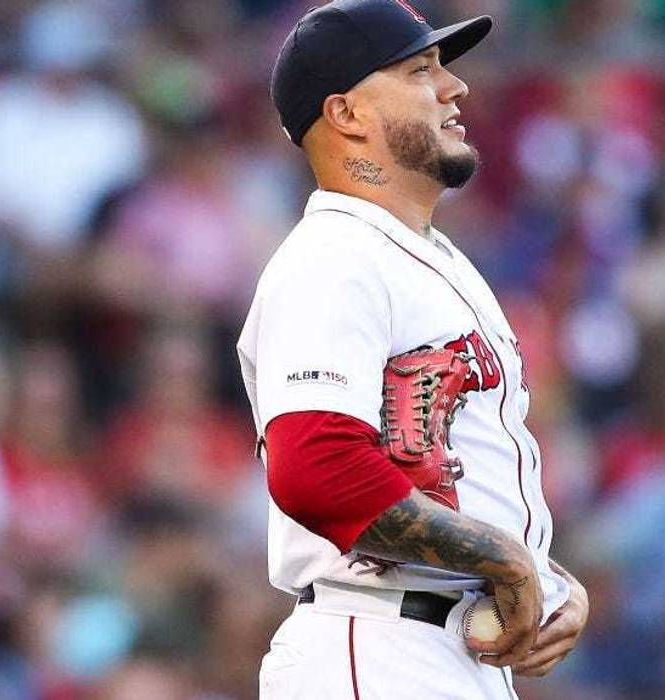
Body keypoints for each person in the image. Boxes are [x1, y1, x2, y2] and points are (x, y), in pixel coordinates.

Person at [236, 1, 588, 697]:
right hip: (378, 642)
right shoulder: (335, 255)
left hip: (440, 652)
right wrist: (507, 562)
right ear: (347, 114)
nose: (455, 88)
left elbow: (459, 479)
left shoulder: (425, 258)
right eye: (420, 71)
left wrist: (547, 581)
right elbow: (316, 467)